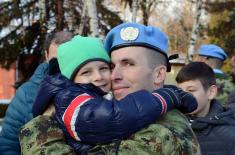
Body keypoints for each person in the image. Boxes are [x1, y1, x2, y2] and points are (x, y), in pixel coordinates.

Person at [20, 23, 200, 155]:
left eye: (128, 64)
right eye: (111, 66)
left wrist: (41, 126)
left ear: (159, 75)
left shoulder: (162, 134)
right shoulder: (108, 108)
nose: (114, 76)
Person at [0, 31, 73, 155]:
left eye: (68, 59)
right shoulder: (27, 93)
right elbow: (8, 144)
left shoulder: (91, 88)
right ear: (46, 56)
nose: (61, 66)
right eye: (56, 60)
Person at [176, 61, 235, 155]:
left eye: (191, 90)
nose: (183, 96)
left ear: (211, 92)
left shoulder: (230, 138)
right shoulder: (172, 124)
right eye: (179, 91)